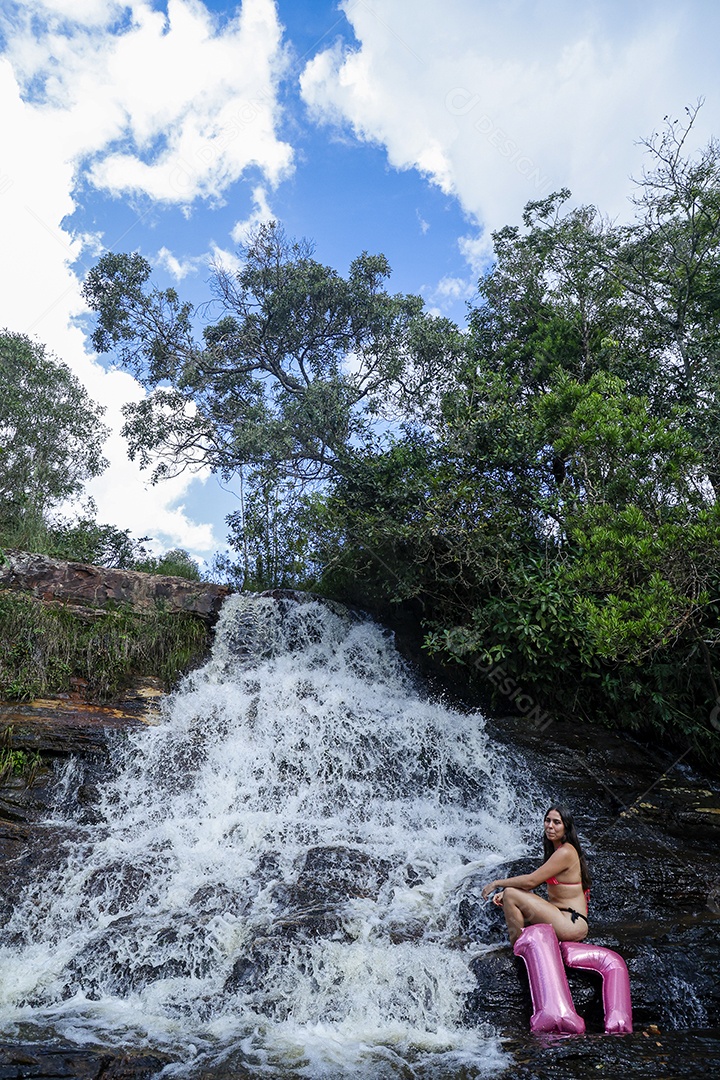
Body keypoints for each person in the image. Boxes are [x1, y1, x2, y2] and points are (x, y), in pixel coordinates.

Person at [481, 804, 591, 945]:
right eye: (547, 820)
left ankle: (518, 949)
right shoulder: (557, 851)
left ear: (566, 827)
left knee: (510, 893)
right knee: (511, 896)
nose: (550, 826)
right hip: (561, 917)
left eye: (556, 822)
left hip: (571, 922)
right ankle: (522, 947)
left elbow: (531, 881)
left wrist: (496, 883)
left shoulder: (566, 852)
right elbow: (534, 881)